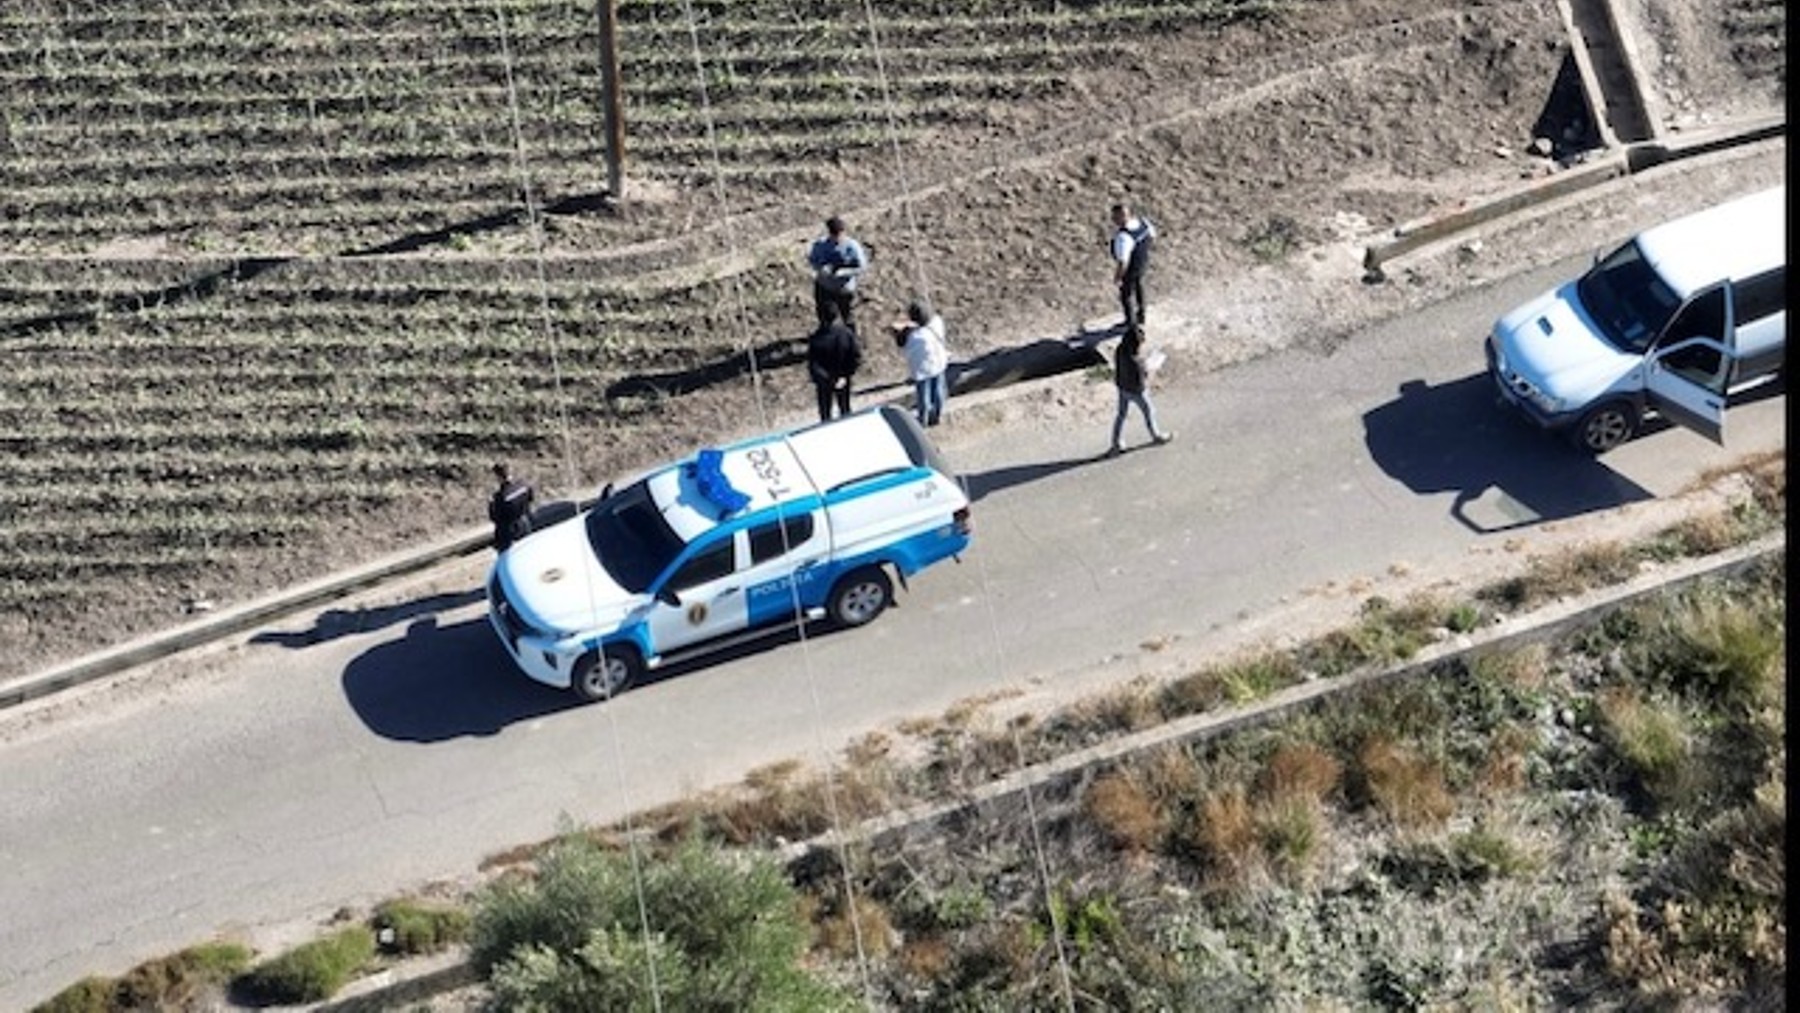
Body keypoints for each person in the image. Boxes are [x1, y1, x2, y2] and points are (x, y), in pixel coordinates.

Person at [1107, 323, 1173, 456]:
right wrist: (1149, 370)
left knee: (1121, 415)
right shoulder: (1137, 362)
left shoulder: (1120, 350)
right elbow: (1142, 380)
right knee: (1149, 411)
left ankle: (1116, 443)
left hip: (1122, 387)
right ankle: (1156, 435)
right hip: (1136, 391)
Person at [893, 299, 950, 427]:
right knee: (938, 392)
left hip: (923, 370)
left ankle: (923, 419)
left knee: (923, 397)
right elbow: (934, 317)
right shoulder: (937, 323)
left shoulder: (915, 337)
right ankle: (937, 416)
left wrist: (899, 331)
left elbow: (902, 343)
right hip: (939, 363)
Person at [807, 215, 869, 330]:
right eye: (834, 235)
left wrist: (843, 272)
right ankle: (825, 337)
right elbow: (812, 260)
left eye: (840, 234)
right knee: (825, 316)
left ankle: (851, 340)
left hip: (844, 289)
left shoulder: (852, 247)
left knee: (848, 317)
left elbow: (862, 267)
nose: (838, 238)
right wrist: (821, 269)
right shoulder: (820, 245)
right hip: (824, 287)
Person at [1110, 201, 1157, 328]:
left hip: (1131, 268)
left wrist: (1118, 277)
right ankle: (1142, 314)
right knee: (1139, 286)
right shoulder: (1143, 223)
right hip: (1143, 262)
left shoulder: (1123, 237)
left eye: (1116, 216)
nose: (1114, 219)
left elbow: (1123, 262)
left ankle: (1131, 323)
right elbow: (1152, 236)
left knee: (1126, 295)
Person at [806, 318, 862, 422]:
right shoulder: (846, 334)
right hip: (843, 379)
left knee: (825, 415)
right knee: (845, 410)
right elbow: (855, 356)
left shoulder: (817, 338)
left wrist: (827, 379)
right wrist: (846, 375)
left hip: (824, 383)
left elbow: (813, 365)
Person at [488, 462, 535, 551]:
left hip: (510, 532)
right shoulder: (523, 485)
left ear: (498, 477)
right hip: (525, 524)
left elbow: (495, 518)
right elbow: (530, 498)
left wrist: (490, 505)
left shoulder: (499, 497)